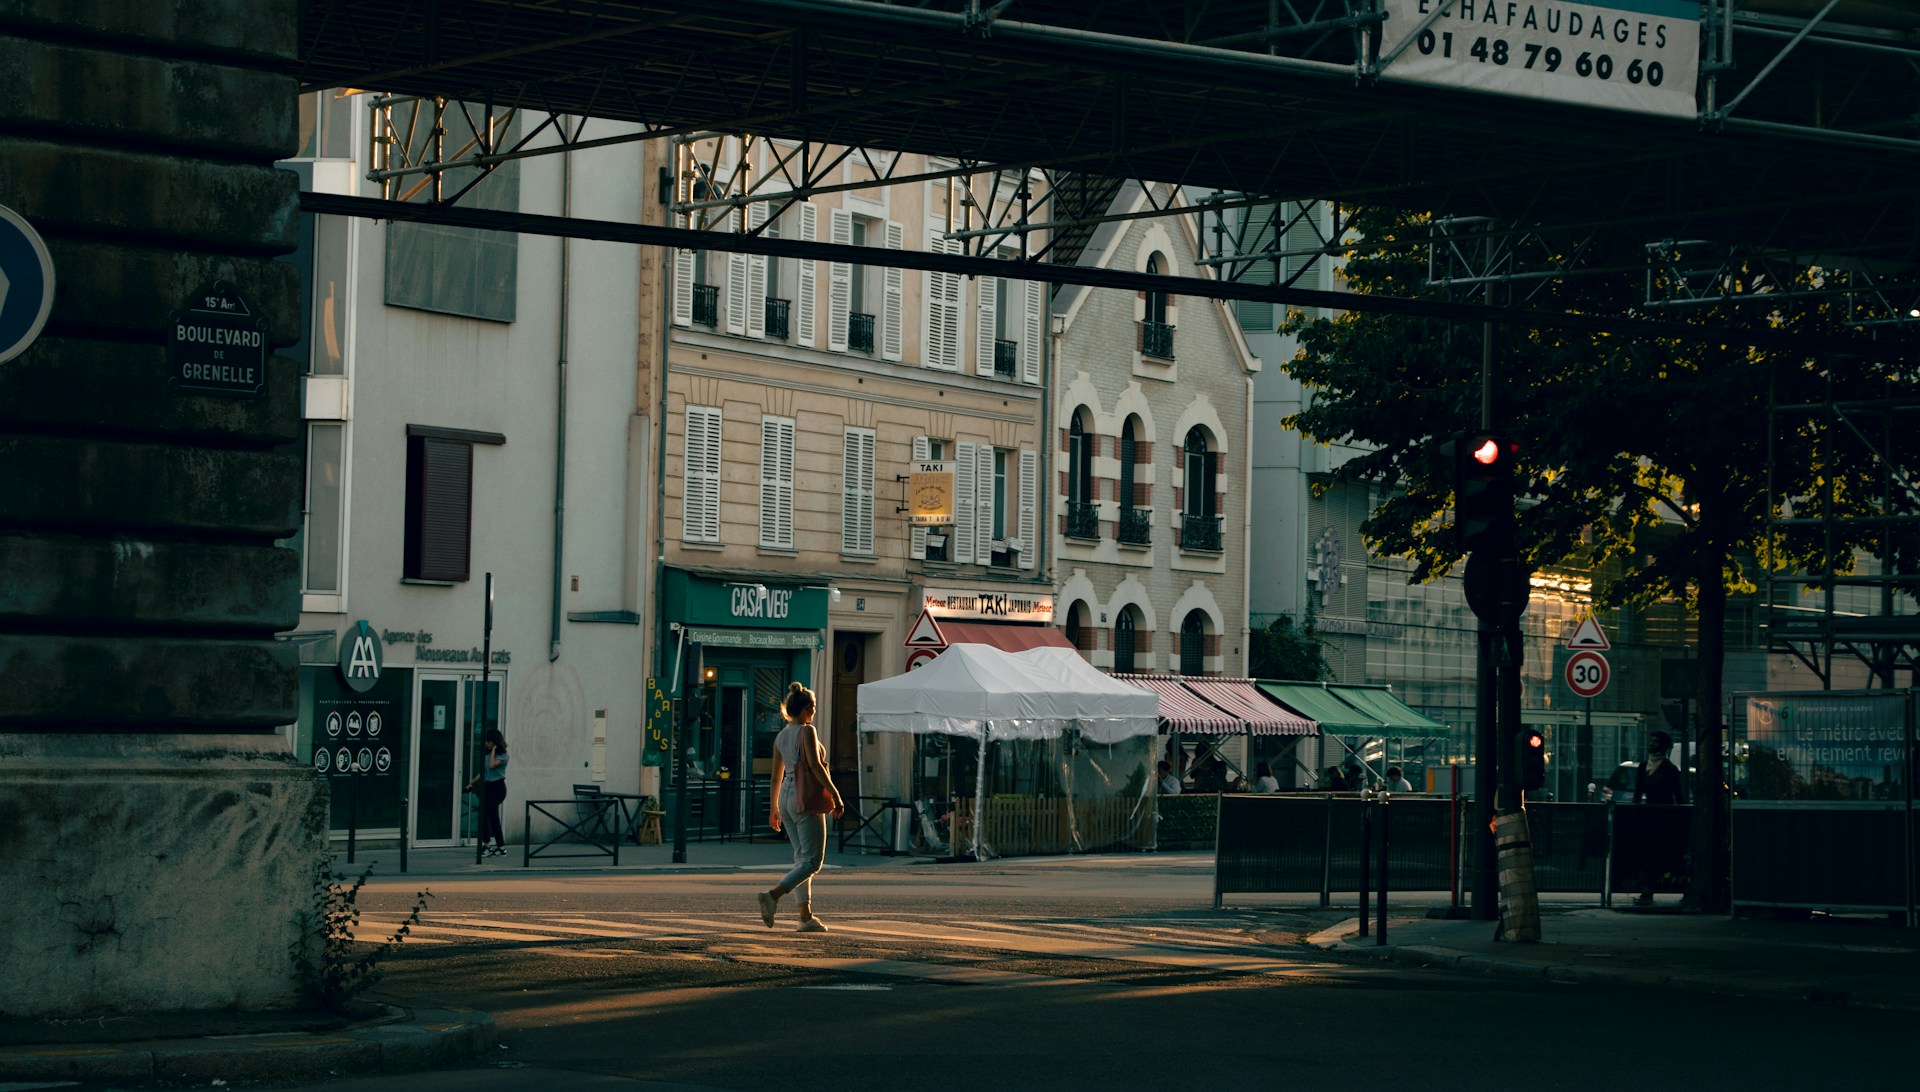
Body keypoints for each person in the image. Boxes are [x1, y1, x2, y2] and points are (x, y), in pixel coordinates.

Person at [757, 682, 844, 932]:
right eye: (812, 707)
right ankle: (773, 895)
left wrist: (774, 808)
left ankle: (805, 917)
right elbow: (815, 766)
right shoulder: (807, 732)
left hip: (786, 795)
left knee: (801, 858)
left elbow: (775, 776)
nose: (814, 711)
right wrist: (835, 794)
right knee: (813, 862)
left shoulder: (781, 735)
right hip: (804, 797)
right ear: (805, 708)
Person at [1633, 729, 1685, 906]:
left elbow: (1677, 794)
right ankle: (1647, 889)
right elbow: (1637, 792)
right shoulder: (1644, 767)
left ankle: (1657, 887)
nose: (1651, 744)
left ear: (1663, 746)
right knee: (1649, 854)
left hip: (1663, 817)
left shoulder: (1669, 769)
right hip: (1650, 816)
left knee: (1661, 853)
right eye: (1652, 741)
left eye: (1655, 742)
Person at [476, 728, 509, 857]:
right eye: (486, 741)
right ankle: (501, 847)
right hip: (488, 787)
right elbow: (484, 771)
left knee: (484, 815)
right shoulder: (487, 754)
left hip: (498, 788)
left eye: (489, 742)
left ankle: (487, 845)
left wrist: (494, 750)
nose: (486, 744)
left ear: (495, 742)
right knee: (493, 817)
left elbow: (492, 765)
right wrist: (472, 783)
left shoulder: (503, 755)